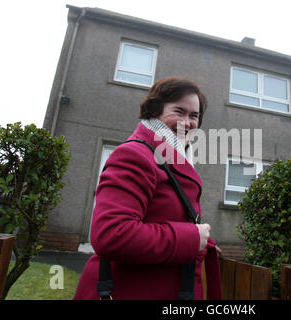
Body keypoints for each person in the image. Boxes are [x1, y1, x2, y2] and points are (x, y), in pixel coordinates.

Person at [74, 77, 222, 300]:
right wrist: (192, 239)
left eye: (194, 116)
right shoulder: (135, 154)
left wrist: (205, 242)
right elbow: (111, 234)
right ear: (155, 111)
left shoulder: (176, 155)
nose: (188, 122)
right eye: (179, 111)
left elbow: (163, 215)